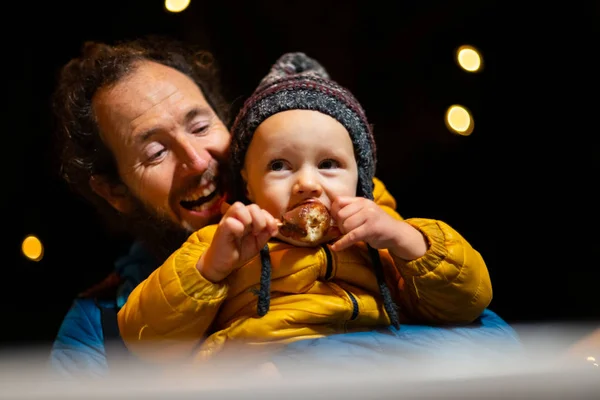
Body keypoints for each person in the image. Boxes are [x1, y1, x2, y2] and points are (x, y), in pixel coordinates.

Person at [49, 37, 520, 377]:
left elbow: (499, 347)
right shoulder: (99, 328)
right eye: (155, 153)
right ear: (114, 190)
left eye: (200, 126)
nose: (197, 161)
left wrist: (312, 362)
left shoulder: (384, 234)